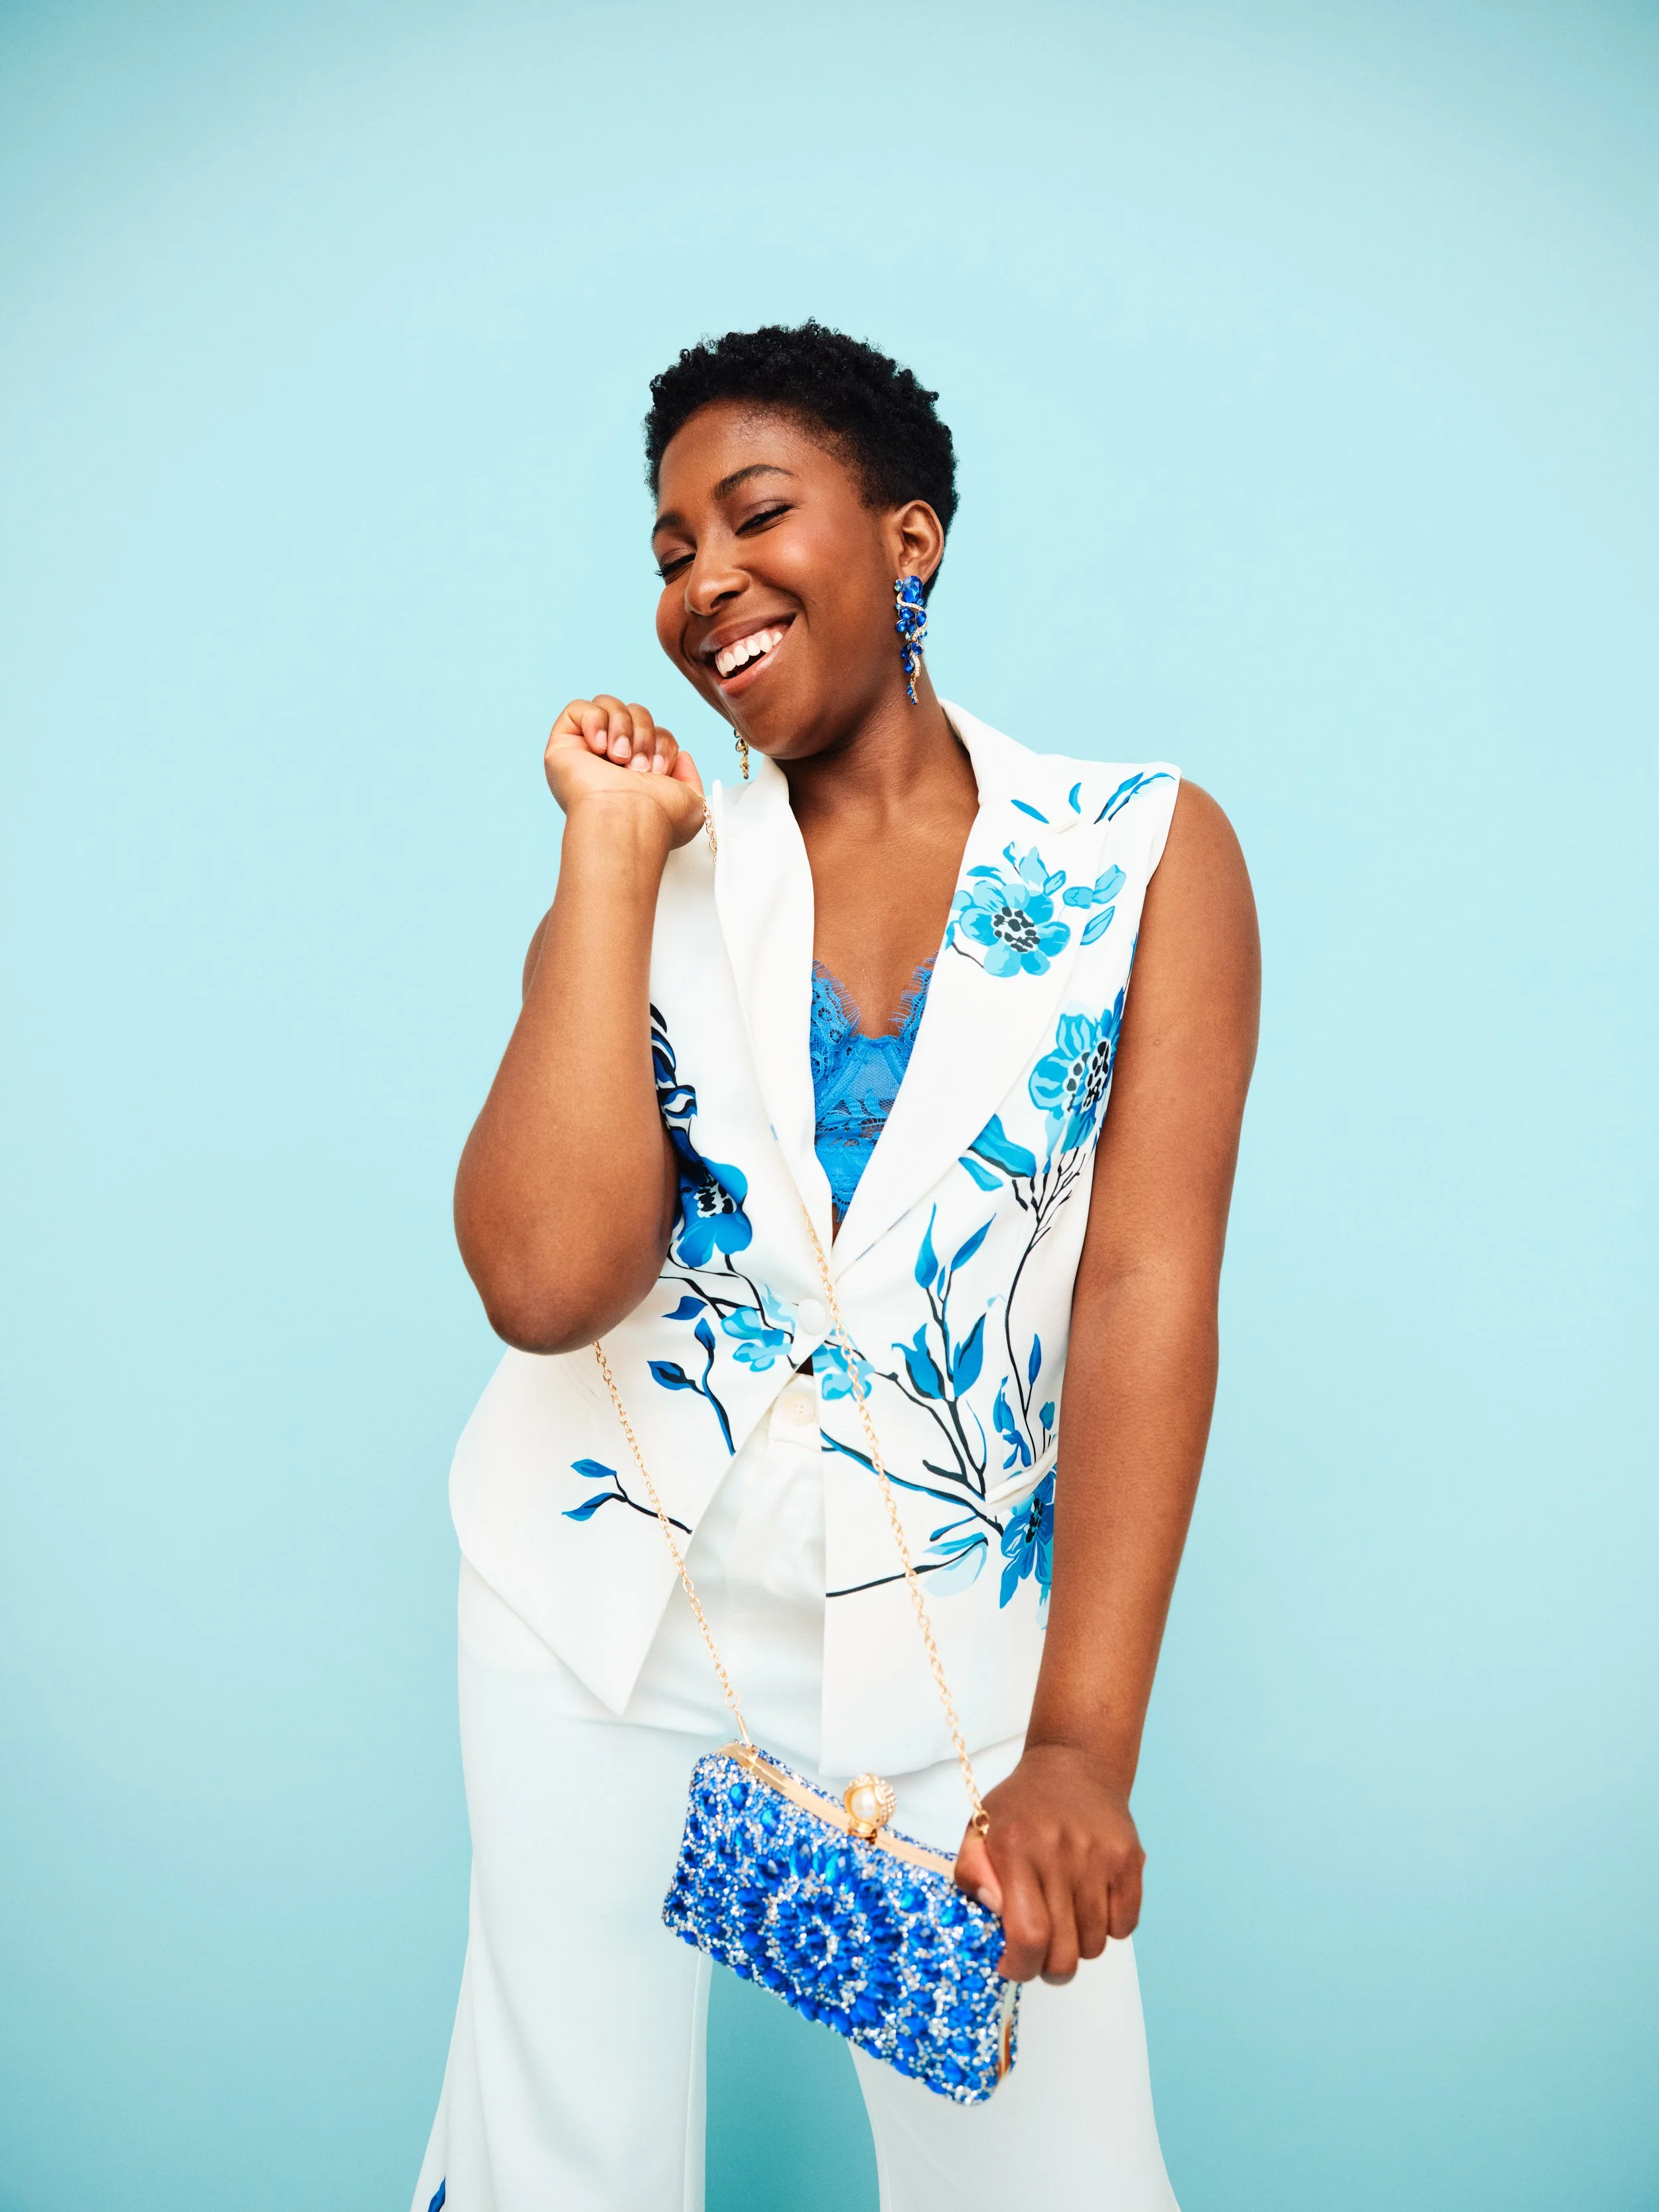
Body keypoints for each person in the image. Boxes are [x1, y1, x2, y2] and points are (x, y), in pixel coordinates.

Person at [411, 322, 1260, 2212]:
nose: (701, 576)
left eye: (753, 514)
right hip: (602, 1609)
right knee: (562, 2159)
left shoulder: (1139, 852)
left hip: (954, 1622)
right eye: (664, 547)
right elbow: (547, 1281)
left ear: (908, 539)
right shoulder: (666, 863)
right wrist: (612, 857)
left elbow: (1143, 1291)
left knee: (1044, 2171)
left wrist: (1077, 1748)